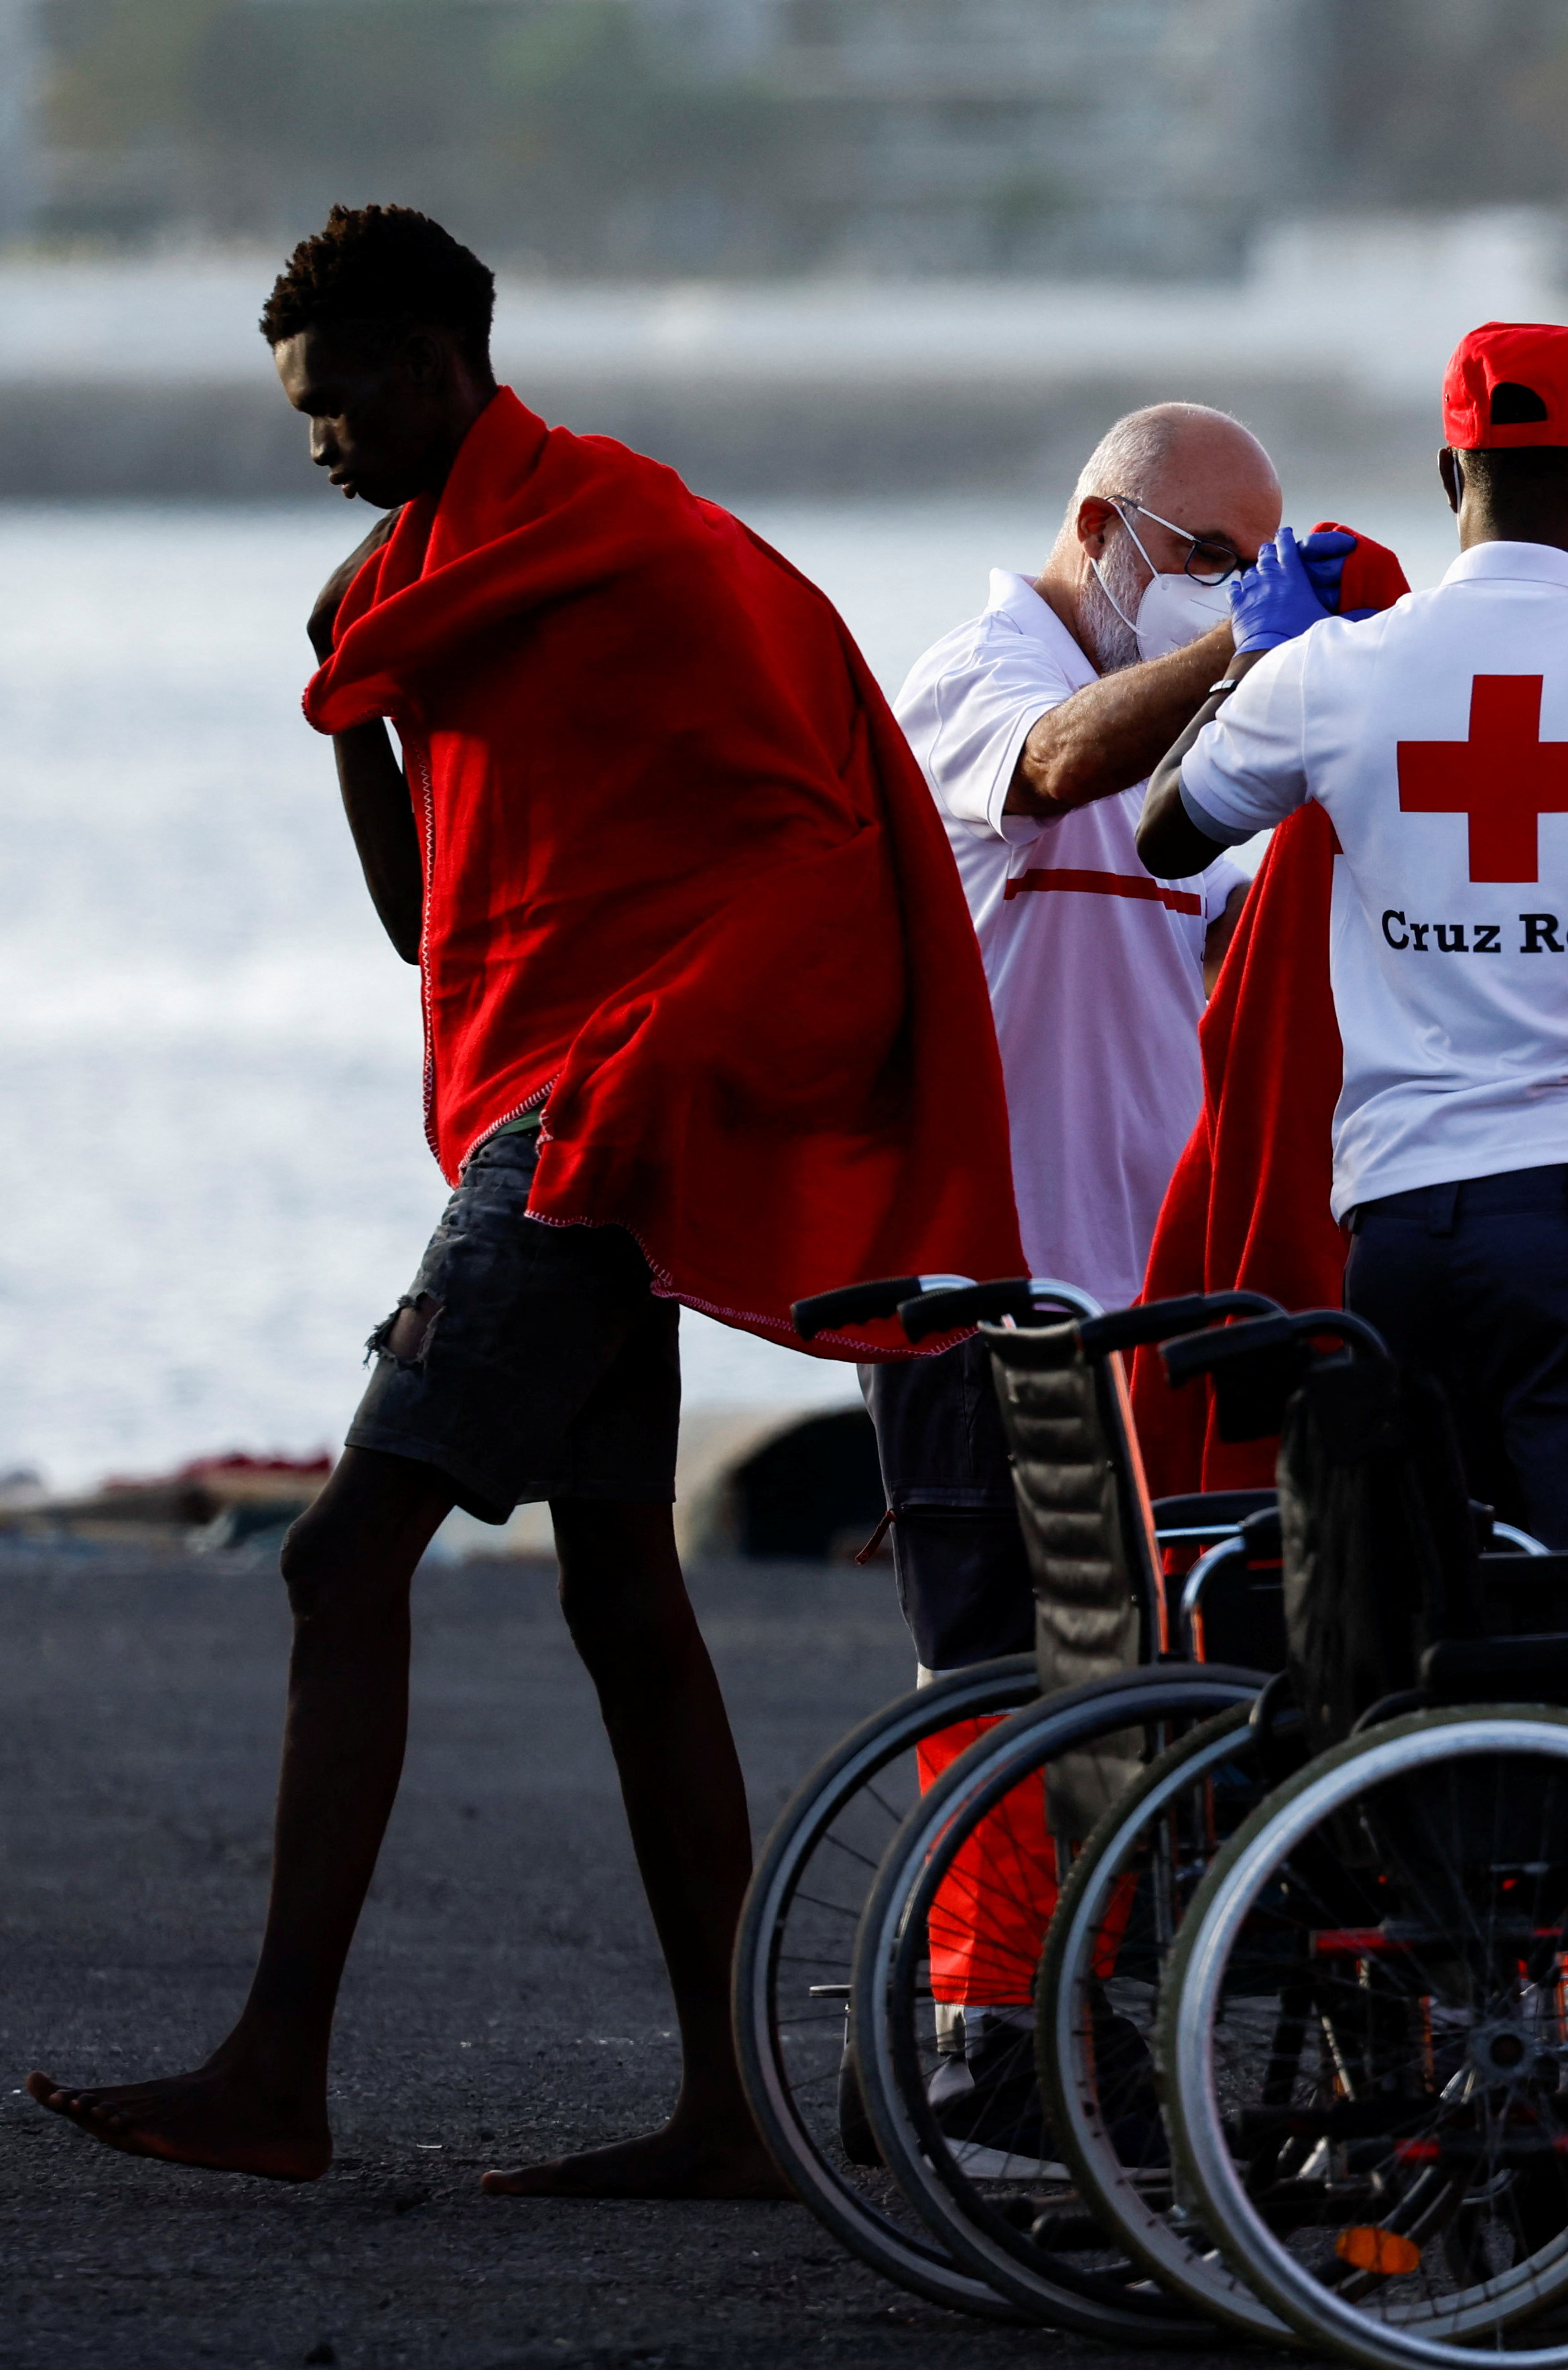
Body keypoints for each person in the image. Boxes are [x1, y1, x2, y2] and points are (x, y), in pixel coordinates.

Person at [21, 206, 1024, 2196]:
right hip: (562, 1106)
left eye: (331, 406)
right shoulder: (429, 583)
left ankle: (276, 2069)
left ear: (432, 363)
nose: (313, 444)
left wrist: (667, 1063)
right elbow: (434, 925)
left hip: (587, 1126)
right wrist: (347, 693)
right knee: (622, 1589)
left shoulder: (642, 550)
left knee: (338, 1559)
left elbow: (819, 844)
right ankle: (735, 2109)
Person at [1141, 322, 1568, 1575]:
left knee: (1422, 1639)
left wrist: (1255, 666)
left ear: (1450, 476)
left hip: (1407, 1241)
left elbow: (1167, 831)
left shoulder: (1333, 676)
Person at [879, 406, 1376, 1670]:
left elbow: (1242, 948)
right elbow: (1046, 767)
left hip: (1146, 1306)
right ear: (1100, 531)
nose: (1229, 591)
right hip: (984, 1306)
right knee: (993, 1687)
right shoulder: (979, 673)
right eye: (1209, 555)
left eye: (1253, 568)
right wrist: (1233, 652)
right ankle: (974, 1880)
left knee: (1150, 1689)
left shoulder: (1179, 735)